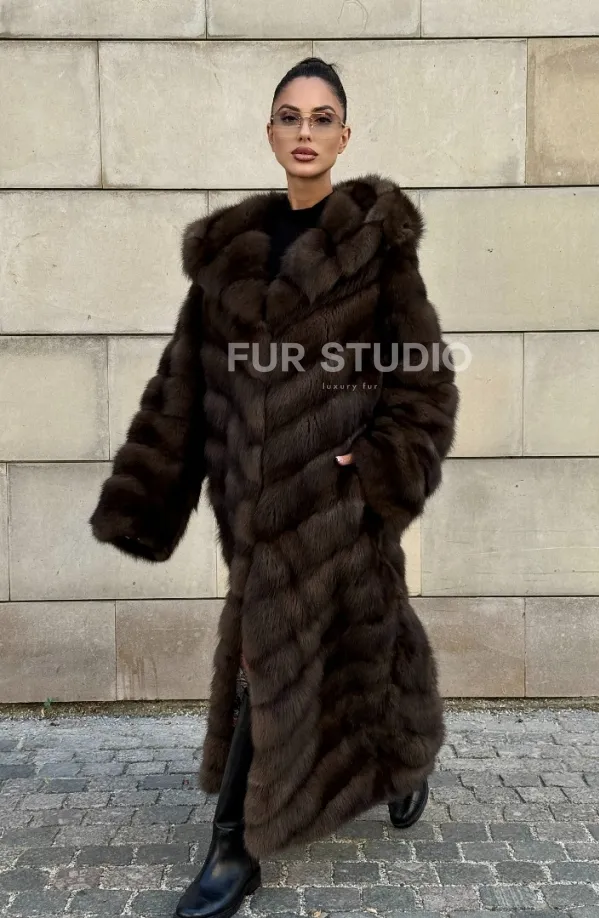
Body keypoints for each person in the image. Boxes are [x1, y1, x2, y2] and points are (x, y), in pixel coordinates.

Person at [89, 56, 459, 918]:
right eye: (290, 117)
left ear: (344, 136)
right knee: (369, 630)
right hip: (250, 506)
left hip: (336, 504)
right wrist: (147, 495)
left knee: (271, 653)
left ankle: (234, 846)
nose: (305, 132)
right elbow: (183, 384)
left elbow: (425, 383)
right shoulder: (229, 257)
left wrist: (375, 465)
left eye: (322, 118)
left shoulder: (376, 248)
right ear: (269, 131)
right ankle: (402, 755)